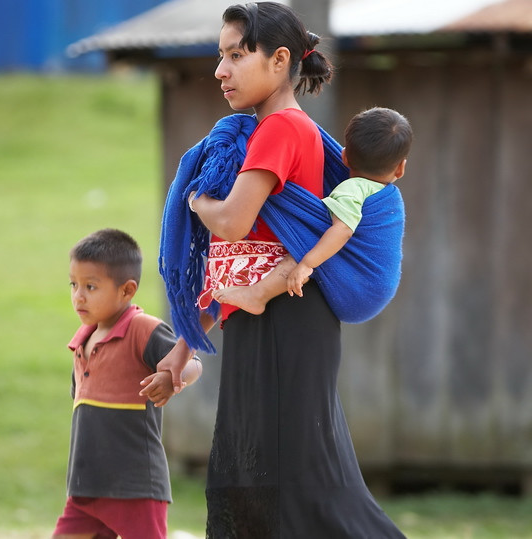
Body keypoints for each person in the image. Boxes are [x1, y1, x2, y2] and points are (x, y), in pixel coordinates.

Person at [141, 3, 406, 537]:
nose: (221, 70)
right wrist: (181, 351)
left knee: (301, 494)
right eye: (221, 56)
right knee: (255, 488)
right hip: (262, 322)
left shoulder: (282, 129)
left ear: (281, 60)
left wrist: (195, 202)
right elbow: (239, 265)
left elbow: (235, 223)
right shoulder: (265, 131)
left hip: (287, 325)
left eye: (237, 55)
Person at [53, 228, 202, 539]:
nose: (78, 295)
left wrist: (171, 378)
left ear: (127, 290)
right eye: (74, 284)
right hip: (86, 487)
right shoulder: (82, 343)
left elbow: (192, 363)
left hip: (135, 487)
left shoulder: (142, 329)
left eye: (91, 286)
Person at [213, 106, 413, 314]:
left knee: (303, 247)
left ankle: (257, 295)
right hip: (379, 287)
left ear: (343, 158)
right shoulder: (386, 192)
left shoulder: (351, 191)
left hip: (363, 287)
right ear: (401, 168)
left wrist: (307, 263)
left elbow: (342, 230)